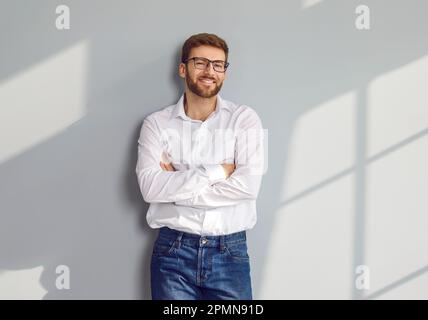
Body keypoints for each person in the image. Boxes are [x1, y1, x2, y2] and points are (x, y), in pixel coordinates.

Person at [136, 33, 265, 300]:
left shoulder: (244, 119)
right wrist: (217, 172)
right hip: (173, 251)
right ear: (183, 69)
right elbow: (150, 189)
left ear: (225, 73)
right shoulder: (156, 124)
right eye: (200, 63)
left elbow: (248, 187)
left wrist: (177, 189)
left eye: (218, 65)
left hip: (229, 251)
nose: (210, 71)